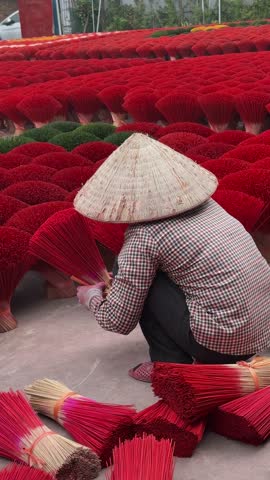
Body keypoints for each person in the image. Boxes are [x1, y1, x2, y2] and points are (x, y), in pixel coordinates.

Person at [75, 133, 270, 383]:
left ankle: (169, 369)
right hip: (261, 333)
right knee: (144, 275)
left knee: (144, 285)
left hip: (221, 345)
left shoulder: (145, 235)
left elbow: (117, 321)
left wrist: (91, 297)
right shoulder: (211, 206)